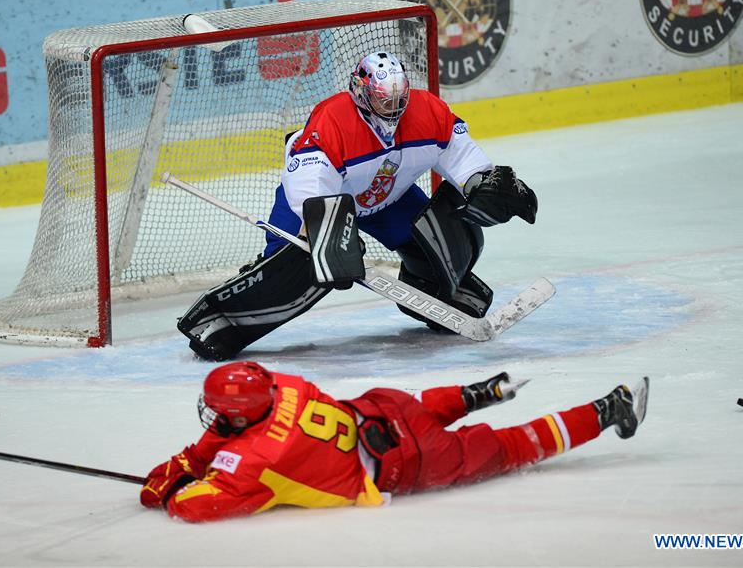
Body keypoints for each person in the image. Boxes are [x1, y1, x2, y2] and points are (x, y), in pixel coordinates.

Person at [177, 50, 539, 361]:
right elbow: (309, 188)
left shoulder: (428, 111)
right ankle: (220, 321)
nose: (394, 108)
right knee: (291, 272)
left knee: (448, 233)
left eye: (399, 99)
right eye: (384, 100)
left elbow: (463, 158)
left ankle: (442, 292)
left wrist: (482, 183)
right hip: (325, 204)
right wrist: (328, 234)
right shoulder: (333, 119)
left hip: (388, 200)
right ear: (362, 92)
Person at [140, 362, 649, 522]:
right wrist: (197, 456)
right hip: (383, 409)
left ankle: (610, 409)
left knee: (512, 446)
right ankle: (479, 392)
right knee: (419, 406)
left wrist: (170, 480)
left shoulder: (253, 464)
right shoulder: (283, 384)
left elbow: (190, 506)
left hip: (406, 462)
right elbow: (235, 432)